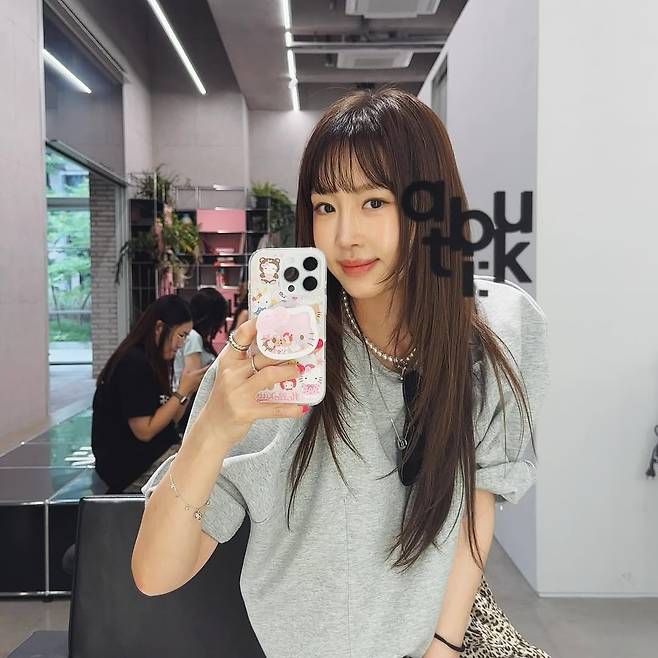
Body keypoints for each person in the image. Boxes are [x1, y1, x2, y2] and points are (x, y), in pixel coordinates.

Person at [132, 87, 550, 658]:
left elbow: (474, 510)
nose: (344, 235)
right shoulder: (271, 364)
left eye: (373, 202)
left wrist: (443, 648)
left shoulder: (489, 333)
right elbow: (155, 574)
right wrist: (211, 430)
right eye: (325, 206)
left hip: (449, 640)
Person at [91, 294, 209, 494]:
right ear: (159, 328)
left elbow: (171, 419)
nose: (181, 344)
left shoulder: (154, 361)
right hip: (130, 467)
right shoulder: (134, 363)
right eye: (181, 335)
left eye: (186, 337)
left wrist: (187, 390)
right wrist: (181, 391)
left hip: (153, 453)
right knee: (206, 470)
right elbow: (145, 431)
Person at [173, 287, 228, 433]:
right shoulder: (193, 338)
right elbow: (194, 380)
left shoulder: (194, 337)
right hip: (189, 409)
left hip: (188, 406)